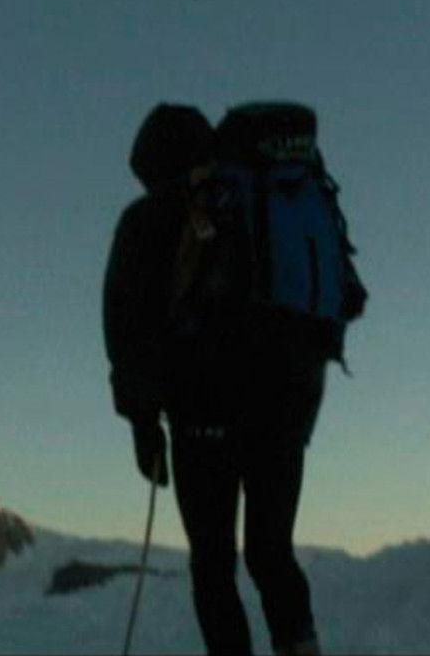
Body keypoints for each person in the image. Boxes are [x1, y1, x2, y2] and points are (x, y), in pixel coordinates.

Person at [103, 103, 346, 655]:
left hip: (203, 412)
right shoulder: (264, 198)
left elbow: (128, 329)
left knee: (213, 563)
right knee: (271, 551)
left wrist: (143, 424)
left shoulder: (150, 217)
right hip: (289, 404)